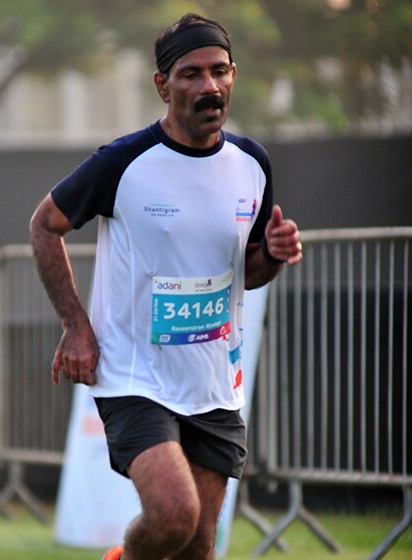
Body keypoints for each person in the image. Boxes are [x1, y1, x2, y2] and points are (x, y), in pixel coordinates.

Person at [29, 13, 302, 560]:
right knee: (174, 516)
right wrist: (75, 324)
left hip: (213, 381)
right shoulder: (123, 162)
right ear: (163, 85)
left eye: (219, 71)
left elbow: (248, 272)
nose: (209, 86)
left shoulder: (252, 163)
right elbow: (44, 225)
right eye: (191, 74)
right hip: (135, 376)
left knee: (197, 547)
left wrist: (272, 256)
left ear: (233, 75)